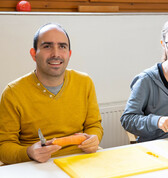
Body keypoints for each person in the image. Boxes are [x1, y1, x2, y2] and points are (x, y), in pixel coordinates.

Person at [0, 23, 103, 164]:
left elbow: (94, 125)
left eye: (62, 46)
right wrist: (29, 152)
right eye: (47, 46)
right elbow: (4, 148)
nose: (56, 54)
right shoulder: (13, 92)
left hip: (81, 160)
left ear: (69, 54)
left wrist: (93, 138)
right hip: (35, 165)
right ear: (33, 54)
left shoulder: (85, 82)